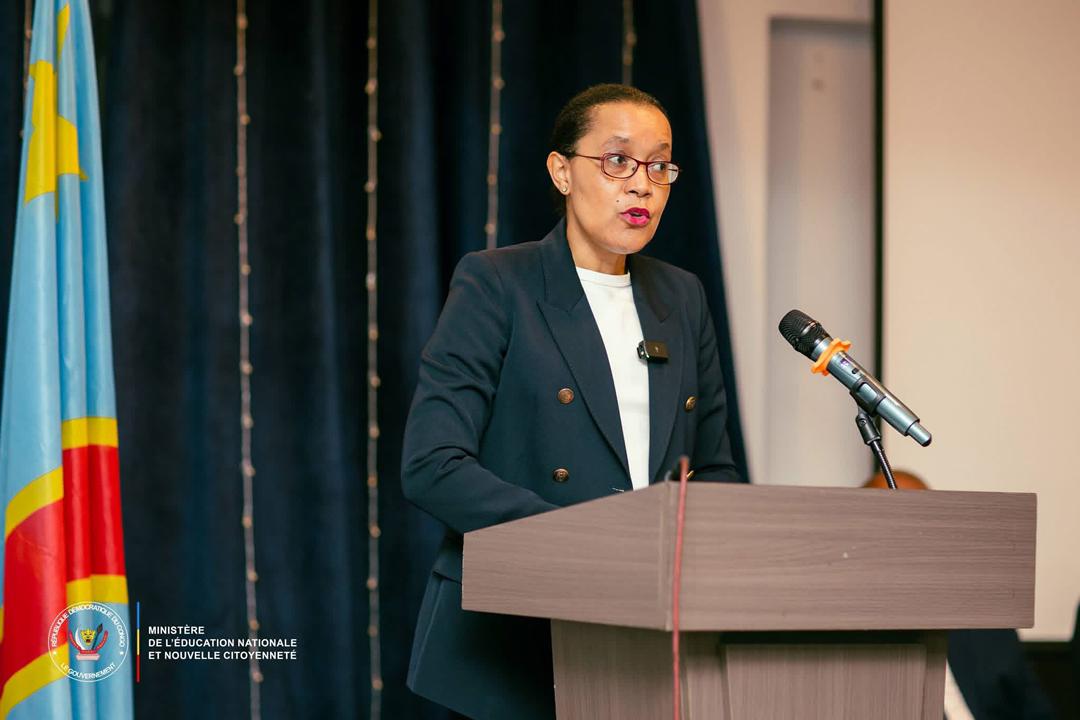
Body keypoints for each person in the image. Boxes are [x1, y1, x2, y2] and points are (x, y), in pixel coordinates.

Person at [401, 84, 741, 720]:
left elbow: (714, 470)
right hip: (516, 628)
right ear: (562, 171)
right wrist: (577, 543)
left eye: (659, 166)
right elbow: (432, 465)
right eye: (617, 161)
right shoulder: (497, 283)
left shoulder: (682, 297)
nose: (641, 185)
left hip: (646, 631)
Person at [864, 471, 1057, 719]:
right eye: (894, 525)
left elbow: (1037, 712)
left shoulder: (986, 622)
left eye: (924, 522)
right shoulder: (852, 641)